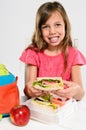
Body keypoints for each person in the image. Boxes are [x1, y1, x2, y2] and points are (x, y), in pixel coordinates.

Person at [19, 1, 86, 101]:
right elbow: (28, 90)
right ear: (40, 31)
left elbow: (80, 94)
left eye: (57, 25)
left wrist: (75, 91)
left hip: (64, 109)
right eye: (46, 27)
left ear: (65, 26)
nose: (52, 31)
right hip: (40, 107)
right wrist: (30, 91)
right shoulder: (33, 53)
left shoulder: (73, 54)